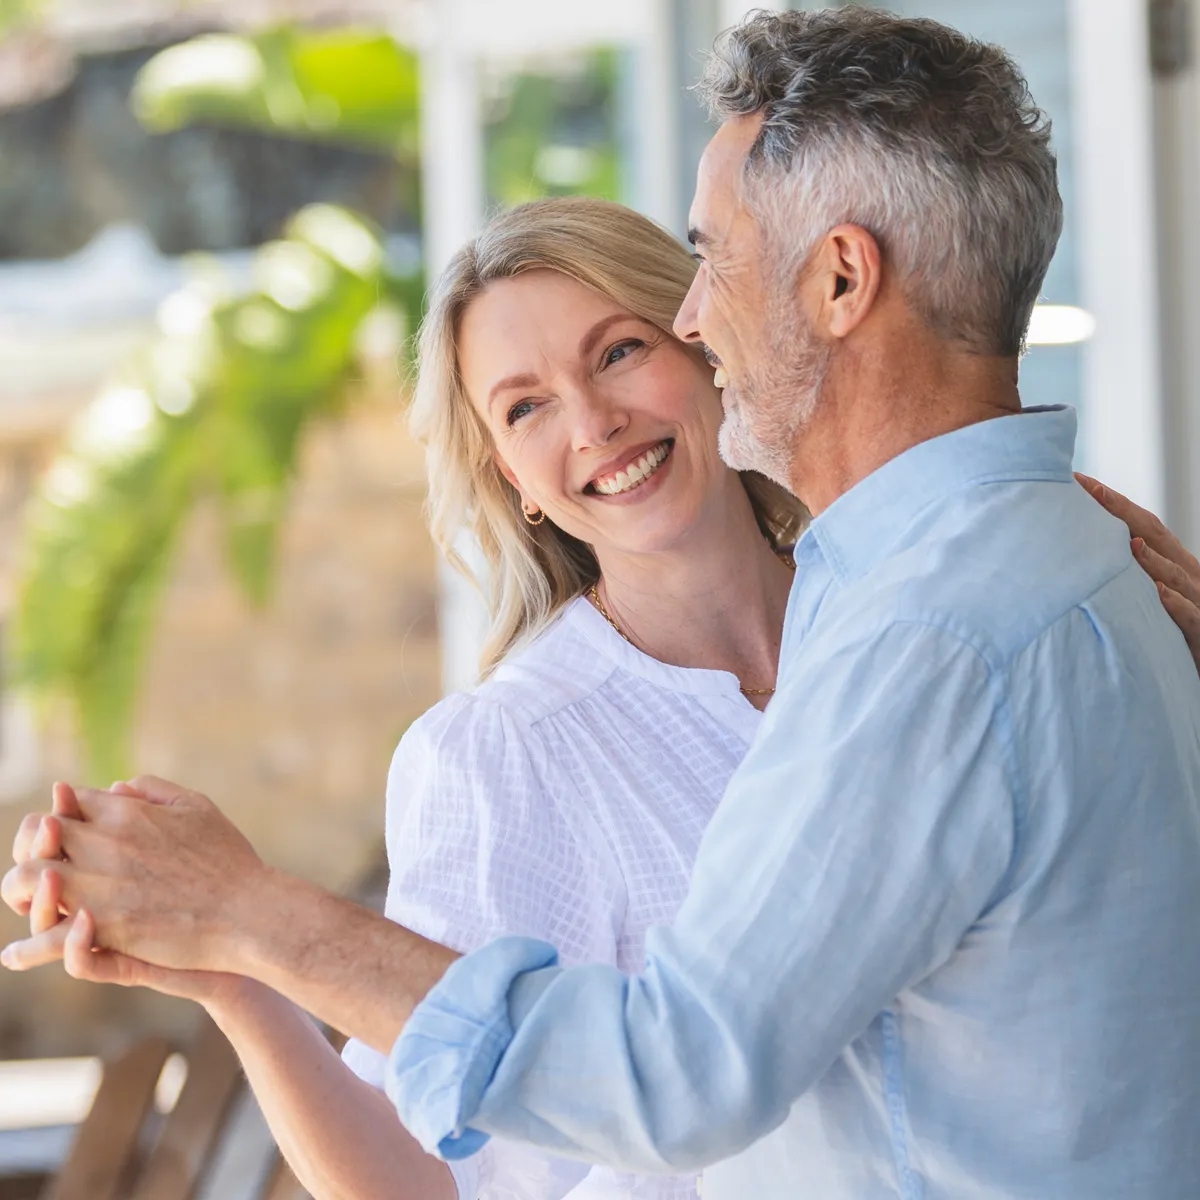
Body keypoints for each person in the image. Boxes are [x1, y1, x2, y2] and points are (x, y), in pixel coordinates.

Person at [6, 8, 1200, 1198]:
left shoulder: (924, 627)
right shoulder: (1022, 570)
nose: (693, 318)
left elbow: (673, 1073)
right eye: (522, 407)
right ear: (508, 481)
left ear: (836, 281)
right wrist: (237, 958)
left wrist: (251, 912)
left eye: (678, 296)